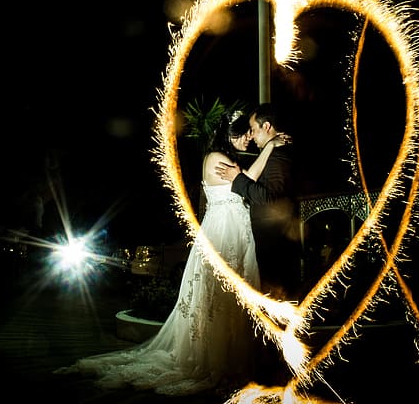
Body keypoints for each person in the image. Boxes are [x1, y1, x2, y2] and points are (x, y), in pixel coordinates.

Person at [54, 109, 289, 396]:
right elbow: (247, 182)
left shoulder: (230, 161)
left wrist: (266, 151)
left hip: (237, 235)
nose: (250, 139)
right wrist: (270, 147)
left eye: (253, 133)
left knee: (232, 300)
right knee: (218, 299)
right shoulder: (217, 159)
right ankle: (213, 361)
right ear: (231, 135)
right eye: (246, 134)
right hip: (223, 236)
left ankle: (230, 358)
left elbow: (245, 181)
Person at [215, 102, 303, 302]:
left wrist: (237, 179)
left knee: (277, 298)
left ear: (267, 126)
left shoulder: (279, 156)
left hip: (274, 242)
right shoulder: (273, 152)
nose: (251, 136)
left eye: (254, 130)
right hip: (271, 240)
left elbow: (269, 197)